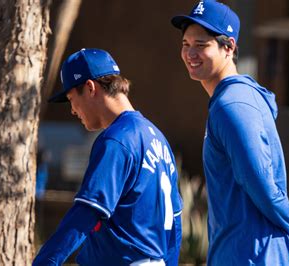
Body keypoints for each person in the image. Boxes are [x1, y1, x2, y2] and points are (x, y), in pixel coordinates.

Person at [170, 1, 289, 265]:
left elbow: (261, 182)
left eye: (201, 44)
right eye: (186, 44)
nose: (190, 53)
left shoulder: (232, 105)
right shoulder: (238, 99)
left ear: (229, 47)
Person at [33, 48, 183, 266]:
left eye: (71, 99)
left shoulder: (116, 139)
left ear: (90, 88)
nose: (73, 111)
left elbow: (87, 212)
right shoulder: (157, 137)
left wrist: (45, 262)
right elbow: (175, 222)